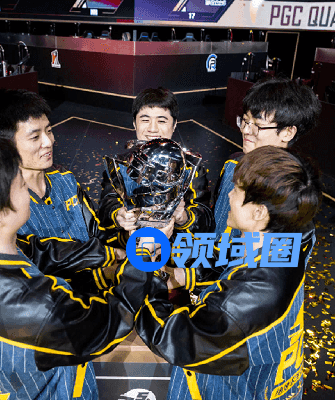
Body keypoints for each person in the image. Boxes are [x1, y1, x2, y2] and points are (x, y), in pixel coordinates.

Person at [0, 136, 156, 400]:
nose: (28, 187)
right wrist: (145, 254)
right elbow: (109, 322)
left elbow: (39, 251)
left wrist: (110, 254)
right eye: (20, 183)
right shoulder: (35, 308)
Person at [136, 146, 322, 400]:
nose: (229, 195)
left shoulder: (242, 301)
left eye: (237, 190)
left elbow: (171, 338)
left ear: (259, 212)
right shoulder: (287, 238)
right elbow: (225, 253)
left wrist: (147, 268)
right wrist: (177, 266)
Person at [0, 89, 121, 287]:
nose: (49, 142)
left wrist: (128, 235)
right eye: (35, 137)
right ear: (6, 146)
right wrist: (106, 272)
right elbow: (32, 268)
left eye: (49, 131)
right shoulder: (2, 207)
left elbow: (96, 232)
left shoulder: (66, 180)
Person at [99, 87, 213, 247]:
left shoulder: (190, 168)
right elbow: (106, 204)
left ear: (174, 125)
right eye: (145, 120)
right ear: (134, 123)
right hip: (129, 248)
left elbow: (206, 218)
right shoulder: (121, 164)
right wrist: (119, 215)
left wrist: (183, 217)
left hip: (175, 251)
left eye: (162, 121)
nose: (152, 129)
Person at [213, 77, 321, 242]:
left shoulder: (295, 195)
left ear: (287, 132)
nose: (246, 130)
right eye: (245, 121)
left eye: (257, 125)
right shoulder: (232, 165)